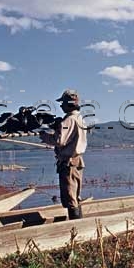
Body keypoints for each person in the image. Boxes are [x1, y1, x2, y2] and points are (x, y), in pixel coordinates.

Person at [39, 90, 87, 220]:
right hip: (77, 162)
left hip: (69, 163)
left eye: (63, 103)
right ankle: (78, 223)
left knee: (70, 197)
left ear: (69, 104)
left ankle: (75, 227)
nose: (61, 106)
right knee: (75, 195)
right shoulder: (79, 118)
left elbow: (59, 141)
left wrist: (44, 136)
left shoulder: (69, 120)